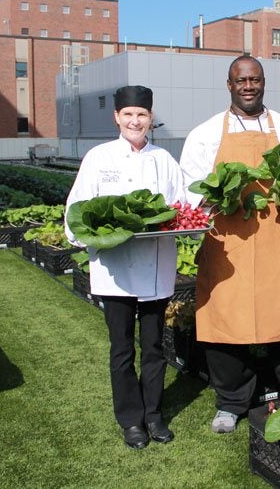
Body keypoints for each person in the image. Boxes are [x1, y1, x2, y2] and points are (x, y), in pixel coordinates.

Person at [180, 55, 280, 433]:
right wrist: (216, 198)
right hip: (228, 245)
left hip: (278, 238)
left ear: (263, 83)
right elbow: (190, 189)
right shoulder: (206, 134)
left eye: (255, 79)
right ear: (229, 84)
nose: (248, 86)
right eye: (241, 80)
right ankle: (232, 401)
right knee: (226, 323)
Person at [64, 85, 186, 449]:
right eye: (129, 114)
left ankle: (153, 414)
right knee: (122, 350)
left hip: (156, 268)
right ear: (116, 117)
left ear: (151, 119)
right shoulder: (98, 158)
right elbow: (76, 211)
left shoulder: (164, 159)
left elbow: (180, 207)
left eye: (143, 115)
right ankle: (130, 420)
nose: (136, 121)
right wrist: (91, 236)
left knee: (154, 347)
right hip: (114, 271)